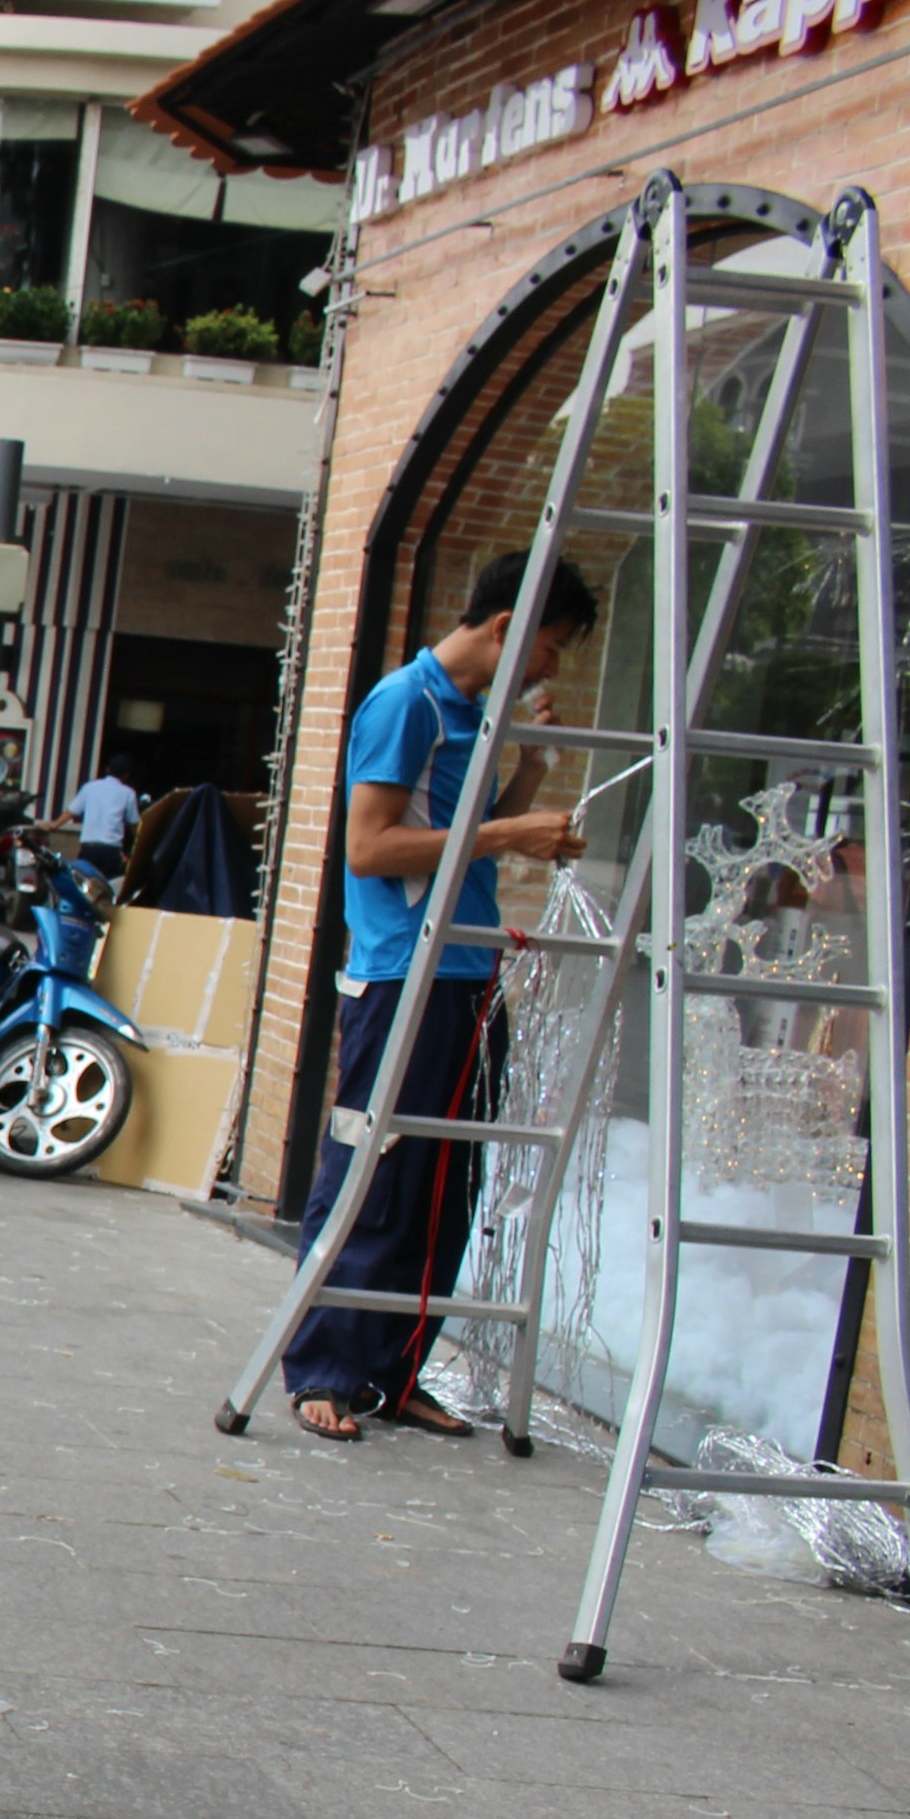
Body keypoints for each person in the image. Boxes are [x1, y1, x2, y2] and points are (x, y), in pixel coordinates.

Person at [285, 549, 592, 1442]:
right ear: (507, 626)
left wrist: (526, 782)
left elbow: (457, 834)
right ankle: (325, 1367)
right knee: (376, 1171)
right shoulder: (405, 703)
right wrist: (508, 829)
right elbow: (372, 849)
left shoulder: (469, 714)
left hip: (466, 973)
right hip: (401, 975)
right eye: (553, 647)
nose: (551, 668)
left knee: (448, 1182)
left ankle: (393, 1372)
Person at [71, 754, 145, 877]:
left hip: (88, 849)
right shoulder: (128, 793)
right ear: (126, 775)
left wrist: (53, 825)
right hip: (111, 851)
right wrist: (140, 838)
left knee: (83, 882)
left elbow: (72, 812)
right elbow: (133, 822)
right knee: (108, 887)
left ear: (107, 769)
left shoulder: (90, 787)